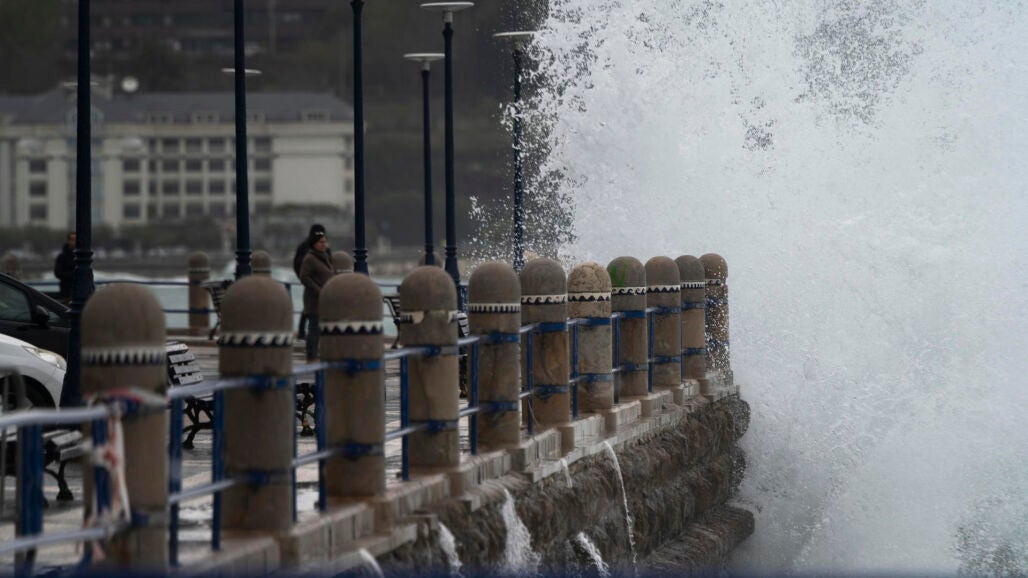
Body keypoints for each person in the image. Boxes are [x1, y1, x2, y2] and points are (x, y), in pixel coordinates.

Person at [299, 230, 334, 361]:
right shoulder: (310, 258)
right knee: (313, 329)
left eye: (325, 241)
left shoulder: (324, 257)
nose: (324, 244)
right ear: (314, 244)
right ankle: (311, 356)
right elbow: (304, 277)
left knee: (320, 329)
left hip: (324, 299)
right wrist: (318, 290)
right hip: (314, 300)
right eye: (321, 242)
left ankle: (317, 354)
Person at [294, 224, 327, 339]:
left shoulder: (305, 247)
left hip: (315, 284)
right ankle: (306, 335)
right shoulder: (307, 250)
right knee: (311, 312)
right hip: (313, 284)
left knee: (309, 310)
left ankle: (302, 333)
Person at [53, 232, 76, 302]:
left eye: (76, 240)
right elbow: (57, 273)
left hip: (78, 291)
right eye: (72, 239)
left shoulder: (81, 256)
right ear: (68, 241)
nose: (74, 242)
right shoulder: (62, 257)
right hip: (66, 292)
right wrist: (73, 275)